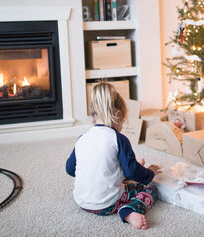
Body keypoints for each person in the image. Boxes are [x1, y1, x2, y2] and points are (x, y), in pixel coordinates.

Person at [66, 82, 161, 229]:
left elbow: (71, 169)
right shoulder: (118, 139)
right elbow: (133, 172)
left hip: (82, 202)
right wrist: (149, 173)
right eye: (123, 121)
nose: (122, 125)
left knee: (124, 177)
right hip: (107, 204)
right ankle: (128, 211)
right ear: (117, 115)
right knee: (151, 189)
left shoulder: (82, 138)